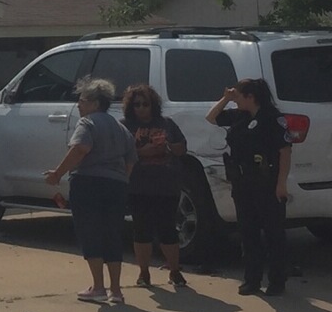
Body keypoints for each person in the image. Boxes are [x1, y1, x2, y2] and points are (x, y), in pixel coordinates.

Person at [45, 77, 136, 304]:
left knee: (90, 232)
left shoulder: (87, 123)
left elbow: (80, 148)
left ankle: (98, 287)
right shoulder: (120, 127)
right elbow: (131, 159)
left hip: (88, 183)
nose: (79, 104)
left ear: (95, 103)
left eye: (83, 100)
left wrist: (58, 173)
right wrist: (122, 179)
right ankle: (116, 290)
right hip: (116, 185)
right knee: (112, 234)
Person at [206, 78, 293, 296]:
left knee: (273, 233)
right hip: (243, 182)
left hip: (267, 182)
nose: (236, 100)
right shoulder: (240, 117)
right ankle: (252, 279)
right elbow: (211, 117)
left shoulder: (273, 119)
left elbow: (285, 152)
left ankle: (277, 280)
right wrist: (225, 99)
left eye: (238, 96)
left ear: (251, 97)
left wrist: (281, 183)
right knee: (248, 231)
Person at [120, 84, 189, 288]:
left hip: (166, 185)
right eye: (137, 104)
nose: (141, 108)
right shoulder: (124, 126)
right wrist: (143, 152)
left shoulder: (166, 123)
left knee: (168, 229)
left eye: (145, 104)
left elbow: (182, 148)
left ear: (153, 105)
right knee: (142, 230)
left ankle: (175, 271)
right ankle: (144, 273)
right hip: (138, 185)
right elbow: (119, 154)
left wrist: (168, 146)